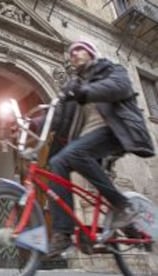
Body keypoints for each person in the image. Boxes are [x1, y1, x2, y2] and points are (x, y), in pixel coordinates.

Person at [45, 40, 155, 258]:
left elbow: (118, 87)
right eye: (71, 52)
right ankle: (63, 232)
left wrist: (84, 91)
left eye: (79, 49)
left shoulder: (111, 69)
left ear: (91, 53)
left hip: (117, 132)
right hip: (88, 141)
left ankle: (122, 206)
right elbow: (56, 116)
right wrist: (30, 122)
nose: (74, 54)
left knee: (75, 153)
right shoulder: (73, 87)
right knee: (57, 162)